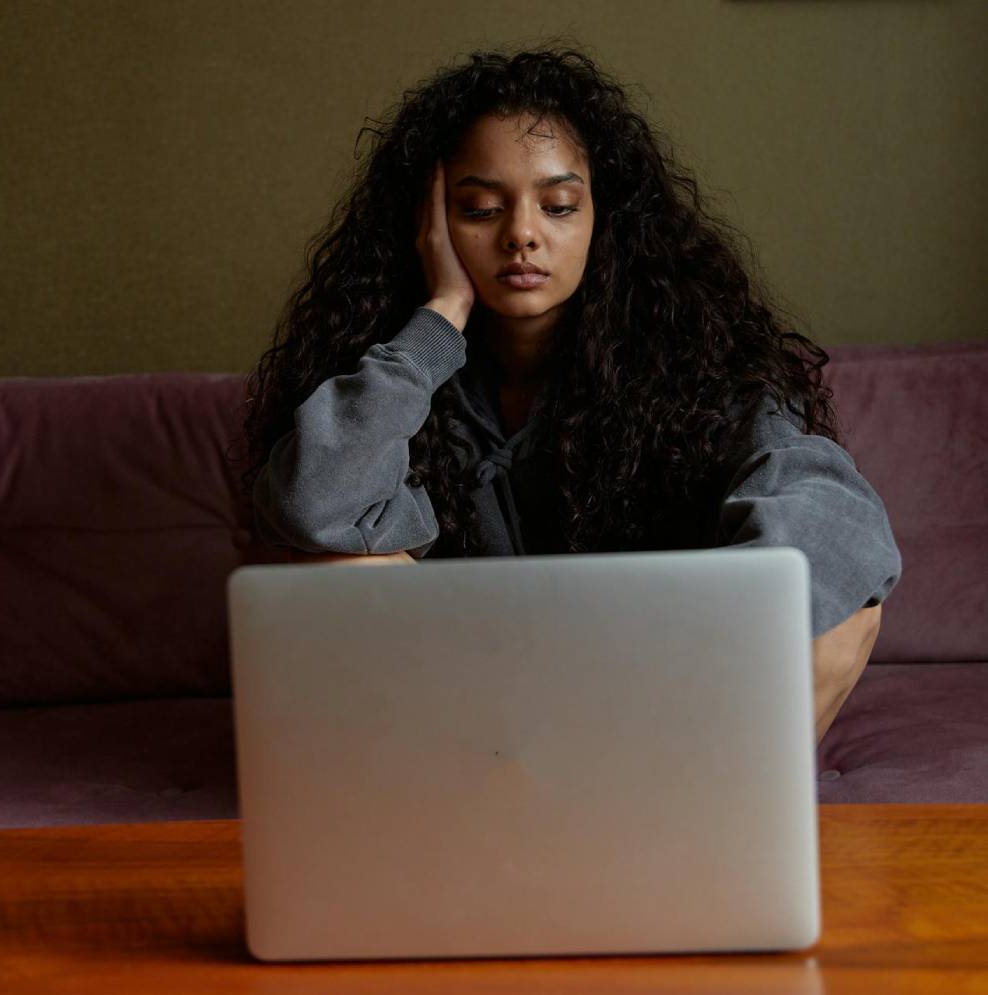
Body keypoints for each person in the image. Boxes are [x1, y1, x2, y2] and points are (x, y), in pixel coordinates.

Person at [239, 44, 901, 744]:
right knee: (330, 565)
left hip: (652, 696)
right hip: (471, 703)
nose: (522, 235)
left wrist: (663, 639)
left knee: (846, 617)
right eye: (480, 208)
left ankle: (661, 783)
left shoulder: (695, 368)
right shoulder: (391, 375)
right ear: (429, 227)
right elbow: (311, 503)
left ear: (601, 221)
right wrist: (437, 322)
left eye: (557, 206)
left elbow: (830, 515)